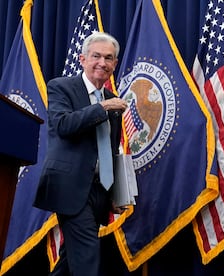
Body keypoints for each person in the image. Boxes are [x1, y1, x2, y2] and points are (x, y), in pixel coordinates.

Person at [33, 32, 128, 276]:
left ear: (115, 64)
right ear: (82, 59)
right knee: (86, 259)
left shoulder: (111, 99)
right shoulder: (61, 86)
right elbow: (63, 126)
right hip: (70, 186)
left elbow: (111, 147)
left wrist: (117, 193)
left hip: (99, 190)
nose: (102, 63)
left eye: (109, 58)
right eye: (96, 56)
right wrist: (102, 107)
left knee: (70, 261)